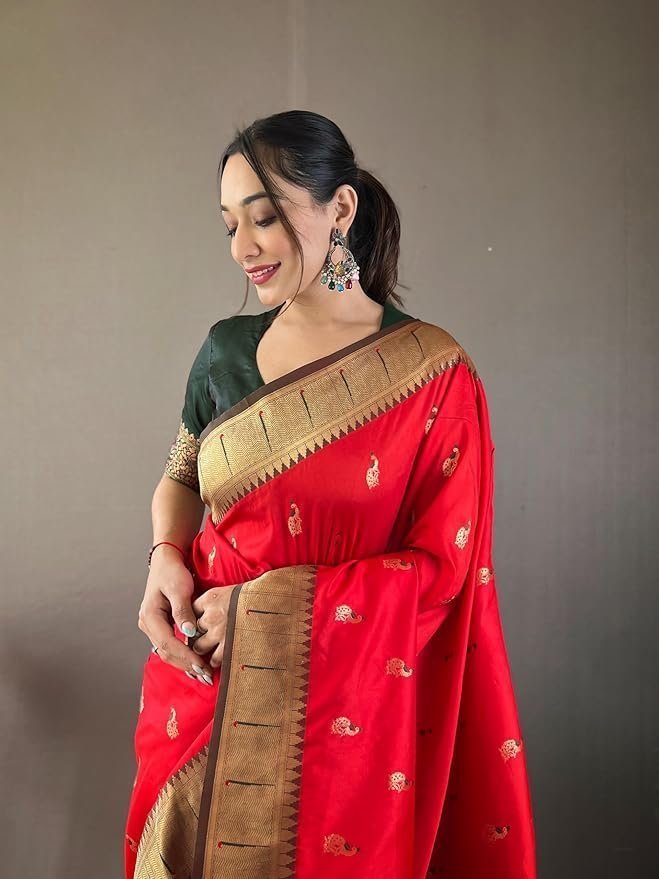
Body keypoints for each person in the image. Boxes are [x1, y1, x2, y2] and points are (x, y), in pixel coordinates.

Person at [123, 109, 537, 879]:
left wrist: (268, 611)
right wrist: (162, 558)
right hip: (200, 692)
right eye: (229, 225)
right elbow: (182, 473)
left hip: (343, 717)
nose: (243, 247)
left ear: (339, 207)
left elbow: (442, 572)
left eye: (264, 217)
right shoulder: (225, 350)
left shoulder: (432, 374)